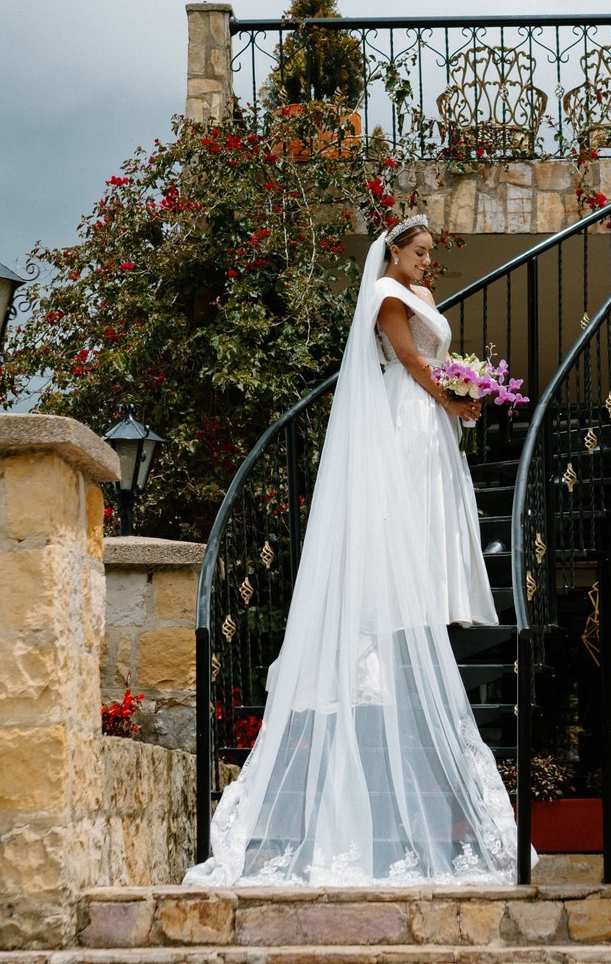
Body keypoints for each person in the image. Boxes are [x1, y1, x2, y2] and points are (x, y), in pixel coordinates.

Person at [185, 214, 518, 885]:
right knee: (399, 524)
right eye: (418, 251)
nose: (426, 261)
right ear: (393, 251)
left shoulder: (420, 294)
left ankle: (429, 601)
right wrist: (452, 398)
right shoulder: (386, 296)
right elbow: (414, 361)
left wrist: (467, 390)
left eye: (430, 253)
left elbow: (437, 357)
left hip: (432, 420)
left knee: (430, 523)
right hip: (409, 412)